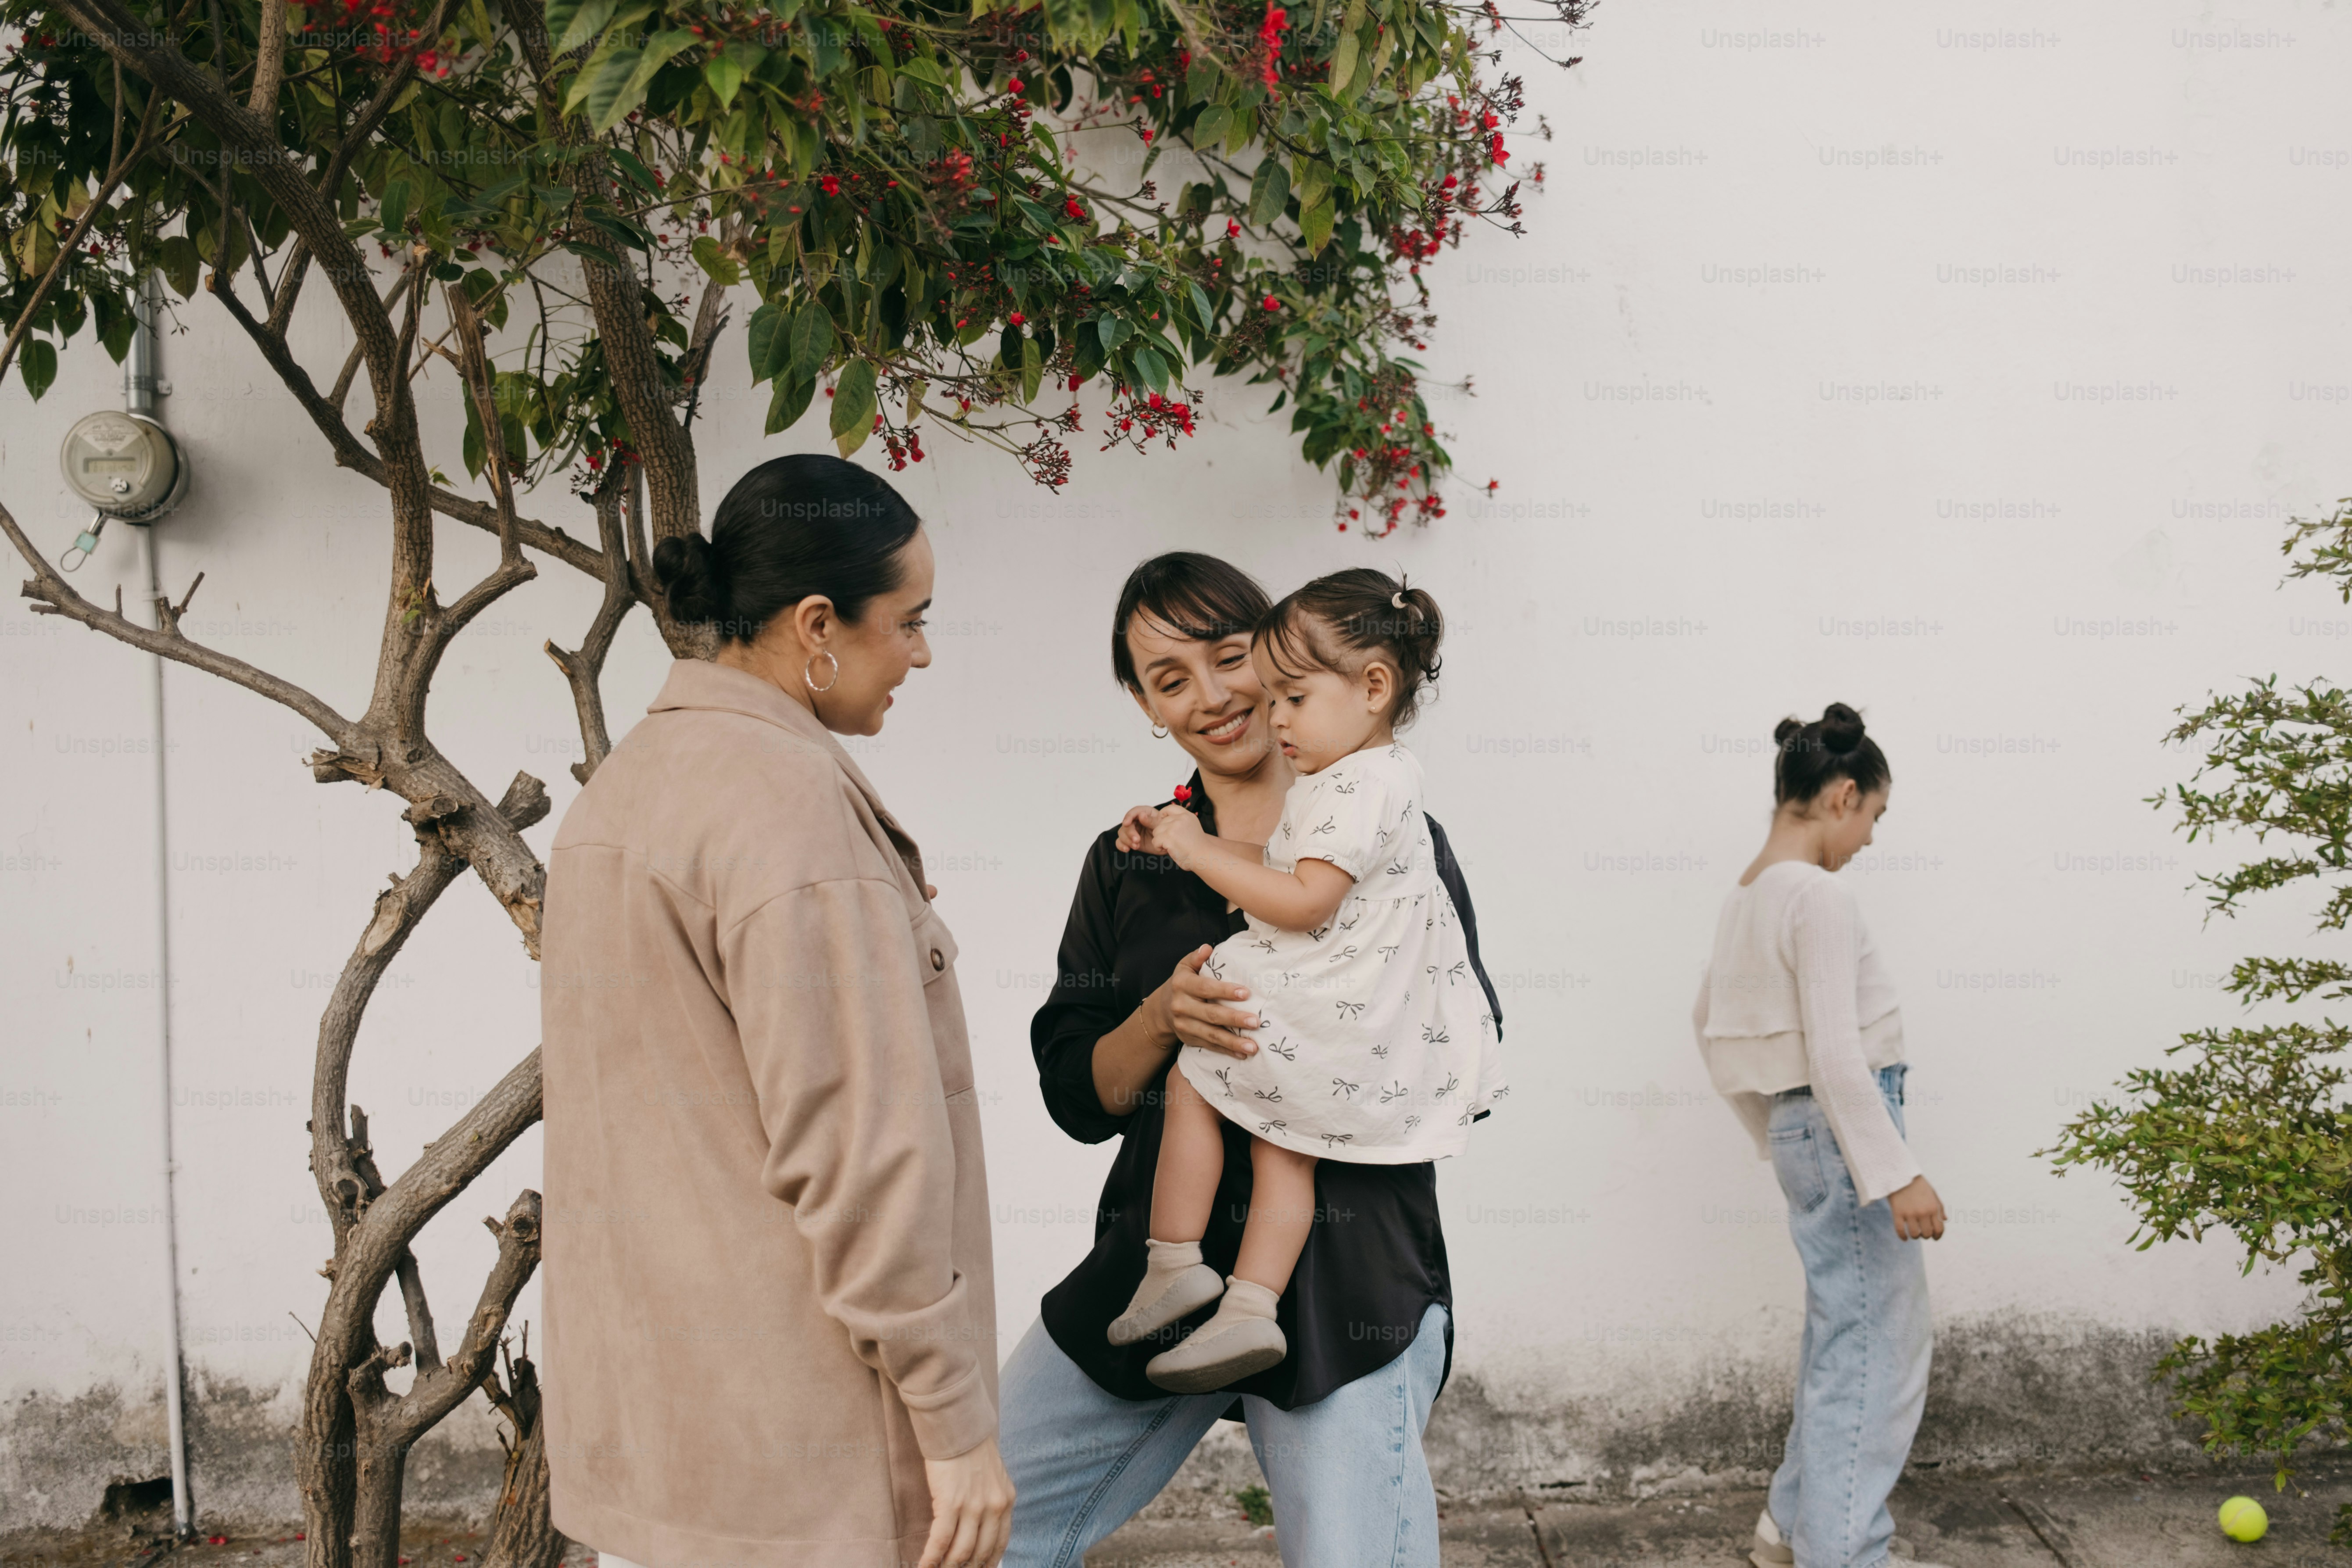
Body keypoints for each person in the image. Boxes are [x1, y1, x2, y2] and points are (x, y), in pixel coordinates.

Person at [538, 455, 1013, 1568]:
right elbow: (857, 1149)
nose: (923, 652)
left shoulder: (631, 783)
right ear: (816, 624)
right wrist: (953, 1426)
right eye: (909, 621)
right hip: (802, 1461)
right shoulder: (785, 804)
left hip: (664, 1448)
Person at [999, 552, 1504, 1568]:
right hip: (1155, 1270)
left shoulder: (1392, 833)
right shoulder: (1129, 856)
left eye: (1230, 656)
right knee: (969, 1523)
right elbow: (1078, 1095)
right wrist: (1161, 1017)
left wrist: (1309, 1038)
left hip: (1346, 1280)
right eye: (1168, 677)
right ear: (1144, 705)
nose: (1216, 696)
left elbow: (1464, 1026)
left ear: (1275, 656)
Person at [1110, 570, 1506, 1393]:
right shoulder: (1363, 784)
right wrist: (1186, 838)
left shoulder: (1356, 788)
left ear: (1370, 687)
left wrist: (1190, 851)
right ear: (1144, 702)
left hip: (1364, 1269)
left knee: (1200, 1073)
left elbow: (1302, 897)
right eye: (1171, 679)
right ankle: (1247, 1305)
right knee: (1278, 1141)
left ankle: (1176, 1261)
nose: (1267, 711)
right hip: (1345, 1051)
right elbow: (1290, 867)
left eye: (1282, 691)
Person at [1693, 703, 1949, 1568]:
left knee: (1839, 1335)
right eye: (1872, 815)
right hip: (1851, 1129)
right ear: (1841, 795)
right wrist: (1895, 1172)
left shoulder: (1746, 897)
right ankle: (1842, 1549)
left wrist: (1775, 1132)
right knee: (1878, 1345)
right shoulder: (1818, 894)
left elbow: (1709, 1028)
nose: (1868, 838)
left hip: (1808, 1131)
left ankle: (1787, 1526)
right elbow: (1839, 1053)